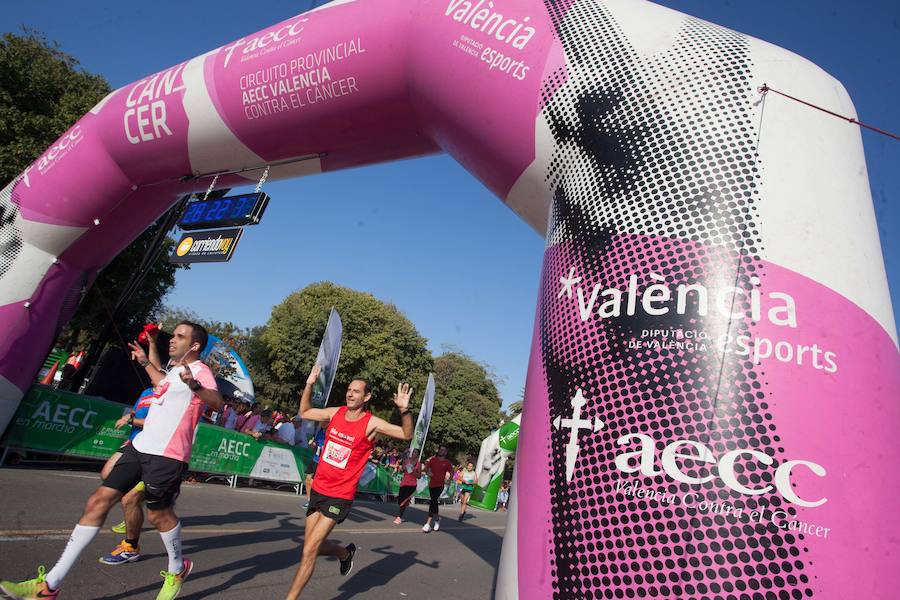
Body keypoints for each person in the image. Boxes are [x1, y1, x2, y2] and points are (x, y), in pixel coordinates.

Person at [0, 321, 223, 600]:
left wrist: (195, 385)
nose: (172, 340)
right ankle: (49, 587)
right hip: (140, 446)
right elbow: (161, 384)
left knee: (158, 515)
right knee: (98, 500)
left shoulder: (199, 372)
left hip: (168, 456)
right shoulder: (174, 370)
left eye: (179, 336)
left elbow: (216, 403)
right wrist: (145, 361)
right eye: (173, 335)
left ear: (195, 345)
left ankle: (177, 568)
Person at [284, 364, 414, 599]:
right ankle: (344, 553)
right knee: (312, 546)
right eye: (349, 390)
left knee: (309, 550)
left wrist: (404, 411)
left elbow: (406, 435)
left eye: (356, 391)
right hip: (319, 488)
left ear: (367, 397)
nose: (350, 393)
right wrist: (309, 384)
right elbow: (305, 412)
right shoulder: (335, 413)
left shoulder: (372, 423)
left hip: (340, 495)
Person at [99, 387, 155, 562]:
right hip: (133, 442)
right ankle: (135, 506)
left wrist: (132, 421)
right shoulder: (146, 391)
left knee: (130, 500)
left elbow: (159, 424)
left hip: (153, 448)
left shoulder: (171, 392)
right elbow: (135, 411)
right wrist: (128, 417)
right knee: (107, 473)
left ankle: (131, 546)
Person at [421, 445, 453, 533]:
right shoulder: (433, 460)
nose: (441, 451)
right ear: (438, 450)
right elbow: (425, 469)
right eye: (440, 450)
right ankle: (437, 519)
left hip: (440, 485)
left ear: (446, 452)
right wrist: (428, 473)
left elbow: (452, 471)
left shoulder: (447, 462)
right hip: (432, 484)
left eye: (444, 450)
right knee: (434, 502)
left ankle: (427, 524)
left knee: (433, 501)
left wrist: (449, 480)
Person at [394, 448, 423, 524]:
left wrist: (413, 470)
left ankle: (399, 517)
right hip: (404, 483)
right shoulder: (407, 460)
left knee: (403, 501)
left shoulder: (418, 464)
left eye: (415, 452)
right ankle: (407, 502)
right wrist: (405, 466)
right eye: (413, 452)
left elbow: (419, 476)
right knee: (400, 501)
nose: (413, 453)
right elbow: (402, 470)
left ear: (418, 454)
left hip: (412, 484)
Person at [303, 426, 326, 509]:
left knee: (313, 482)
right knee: (307, 479)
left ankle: (315, 502)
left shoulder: (331, 433)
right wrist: (312, 444)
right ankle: (309, 500)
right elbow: (315, 446)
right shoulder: (319, 432)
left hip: (322, 462)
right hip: (315, 459)